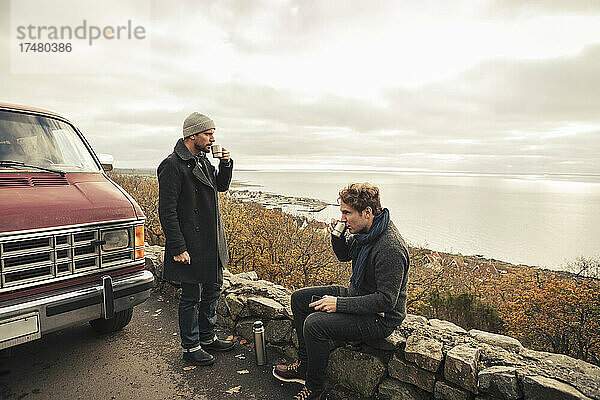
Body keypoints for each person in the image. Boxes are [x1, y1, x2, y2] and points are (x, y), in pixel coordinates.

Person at [273, 183, 410, 400]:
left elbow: (386, 301)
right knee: (299, 299)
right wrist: (337, 237)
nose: (343, 218)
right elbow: (345, 256)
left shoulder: (390, 247)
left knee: (315, 324)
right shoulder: (366, 231)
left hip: (380, 318)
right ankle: (304, 365)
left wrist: (338, 304)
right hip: (357, 295)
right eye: (341, 212)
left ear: (367, 212)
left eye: (347, 213)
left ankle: (315, 387)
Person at [158, 112, 235, 366]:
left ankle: (207, 336)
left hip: (211, 241)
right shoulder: (172, 165)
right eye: (208, 133)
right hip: (190, 243)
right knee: (191, 297)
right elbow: (166, 211)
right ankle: (191, 347)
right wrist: (178, 246)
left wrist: (225, 164)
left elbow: (220, 187)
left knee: (212, 290)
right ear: (193, 135)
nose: (213, 138)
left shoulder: (202, 160)